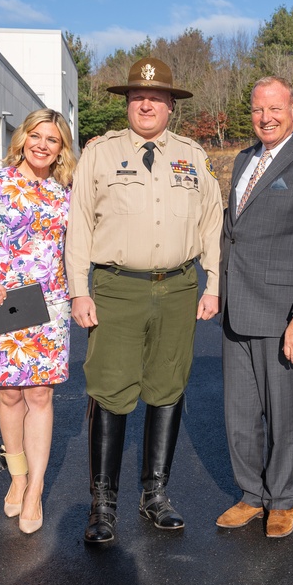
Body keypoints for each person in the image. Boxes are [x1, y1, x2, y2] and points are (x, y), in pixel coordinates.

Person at [65, 57, 223, 543]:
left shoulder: (194, 156)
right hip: (117, 287)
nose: (147, 104)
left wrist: (213, 281)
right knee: (110, 390)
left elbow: (211, 222)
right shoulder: (100, 154)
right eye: (138, 97)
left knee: (167, 387)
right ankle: (103, 505)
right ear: (128, 104)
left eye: (156, 98)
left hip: (178, 287)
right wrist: (78, 289)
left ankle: (155, 495)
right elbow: (79, 225)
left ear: (171, 105)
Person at [215, 77, 293, 539]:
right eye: (256, 110)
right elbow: (234, 232)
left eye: (275, 109)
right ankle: (251, 495)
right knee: (239, 415)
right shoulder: (243, 159)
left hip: (282, 312)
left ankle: (282, 499)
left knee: (281, 414)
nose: (265, 118)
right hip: (237, 308)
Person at [0, 108, 76, 534]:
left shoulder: (66, 189)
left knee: (40, 394)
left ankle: (36, 488)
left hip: (50, 304)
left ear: (62, 149)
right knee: (9, 396)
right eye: (36, 136)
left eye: (53, 140)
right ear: (23, 138)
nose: (43, 145)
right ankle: (18, 476)